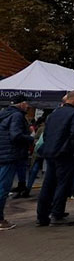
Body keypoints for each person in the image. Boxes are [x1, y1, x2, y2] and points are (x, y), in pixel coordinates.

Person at [36, 90, 74, 226]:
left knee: (48, 184)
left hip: (50, 152)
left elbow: (46, 134)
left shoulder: (54, 114)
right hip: (65, 154)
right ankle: (57, 214)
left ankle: (42, 215)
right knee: (62, 184)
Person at [0, 95, 33, 231]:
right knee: (3, 188)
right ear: (21, 104)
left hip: (2, 153)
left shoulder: (4, 114)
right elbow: (16, 135)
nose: (28, 106)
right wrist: (30, 138)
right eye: (26, 104)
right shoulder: (17, 116)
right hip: (10, 155)